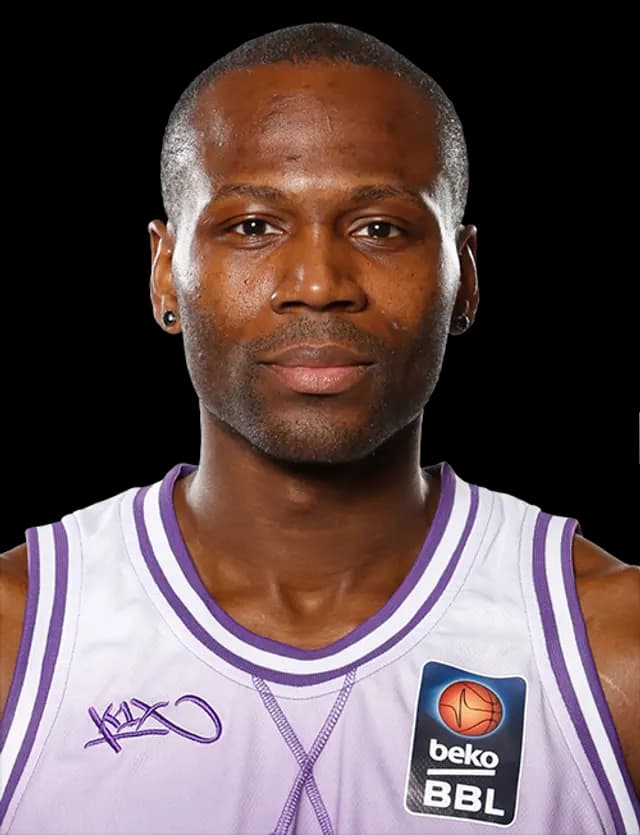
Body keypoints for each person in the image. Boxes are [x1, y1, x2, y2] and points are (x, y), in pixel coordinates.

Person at [0, 21, 638, 835]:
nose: (317, 282)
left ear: (466, 277)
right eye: (253, 226)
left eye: (379, 228)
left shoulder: (612, 646)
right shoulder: (20, 635)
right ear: (165, 274)